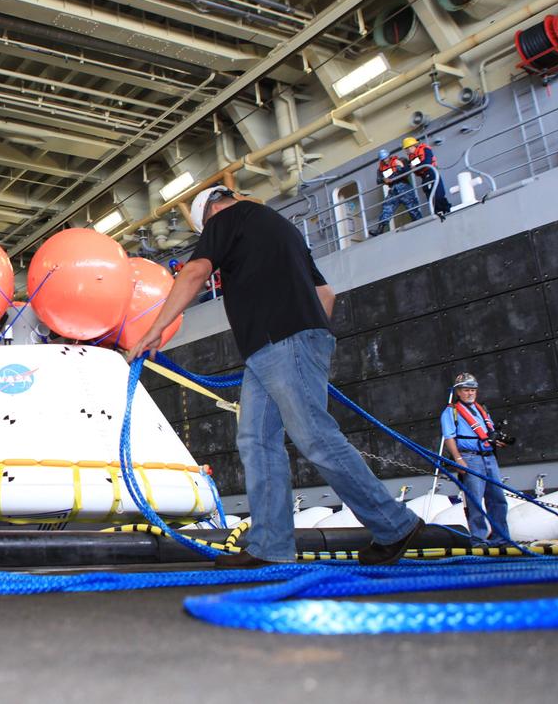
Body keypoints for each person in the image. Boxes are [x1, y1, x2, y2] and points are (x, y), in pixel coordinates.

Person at [129, 186, 423, 567]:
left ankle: (394, 524)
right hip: (276, 347)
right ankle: (271, 548)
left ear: (211, 211)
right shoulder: (280, 227)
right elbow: (326, 294)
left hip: (281, 341)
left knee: (315, 436)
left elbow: (196, 271)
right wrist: (308, 336)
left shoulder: (227, 218)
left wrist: (155, 330)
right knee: (256, 440)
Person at [440, 373, 509, 545]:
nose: (470, 393)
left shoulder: (482, 410)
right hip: (469, 458)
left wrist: (497, 441)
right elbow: (449, 437)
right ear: (458, 392)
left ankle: (501, 537)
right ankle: (478, 539)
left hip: (488, 457)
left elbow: (487, 432)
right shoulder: (451, 412)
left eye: (472, 390)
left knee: (498, 498)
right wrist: (457, 458)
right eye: (466, 390)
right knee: (474, 500)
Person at [370, 148, 421, 235]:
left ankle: (419, 222)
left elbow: (408, 170)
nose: (385, 161)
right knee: (387, 207)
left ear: (389, 156)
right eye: (383, 160)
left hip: (404, 186)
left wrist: (401, 166)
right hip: (393, 189)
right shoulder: (381, 169)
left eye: (386, 158)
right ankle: (380, 229)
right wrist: (383, 179)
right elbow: (378, 180)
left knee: (412, 206)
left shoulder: (400, 160)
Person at [402, 136, 450, 217]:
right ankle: (437, 212)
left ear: (414, 146)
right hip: (424, 177)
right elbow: (410, 168)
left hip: (431, 173)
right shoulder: (411, 157)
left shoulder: (425, 149)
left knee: (438, 194)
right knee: (430, 195)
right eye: (406, 149)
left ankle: (445, 210)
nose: (408, 150)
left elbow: (427, 162)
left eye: (408, 148)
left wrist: (416, 166)